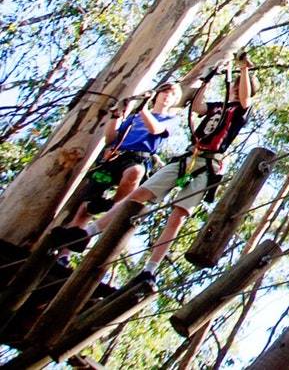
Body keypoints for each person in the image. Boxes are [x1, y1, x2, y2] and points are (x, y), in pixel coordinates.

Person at [105, 52, 255, 285]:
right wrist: (207, 80)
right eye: (233, 87)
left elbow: (246, 98)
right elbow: (197, 107)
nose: (235, 91)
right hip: (187, 157)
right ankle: (89, 231)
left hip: (205, 166)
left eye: (239, 88)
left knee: (177, 217)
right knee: (139, 195)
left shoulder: (241, 112)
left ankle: (150, 270)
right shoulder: (217, 107)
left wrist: (244, 69)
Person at [49, 83, 179, 252]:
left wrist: (143, 109)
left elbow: (155, 130)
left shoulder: (170, 119)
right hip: (116, 156)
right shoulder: (134, 118)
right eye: (164, 92)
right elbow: (111, 137)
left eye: (172, 94)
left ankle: (114, 205)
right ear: (158, 94)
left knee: (135, 172)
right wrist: (115, 116)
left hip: (138, 157)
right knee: (86, 207)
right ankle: (65, 251)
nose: (167, 96)